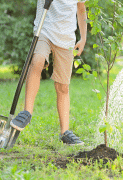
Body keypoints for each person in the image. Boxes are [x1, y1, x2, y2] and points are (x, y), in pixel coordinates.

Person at [10, 0, 87, 145]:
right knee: (37, 61)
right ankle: (27, 112)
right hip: (44, 30)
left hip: (66, 37)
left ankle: (65, 132)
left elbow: (81, 8)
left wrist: (83, 38)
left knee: (62, 87)